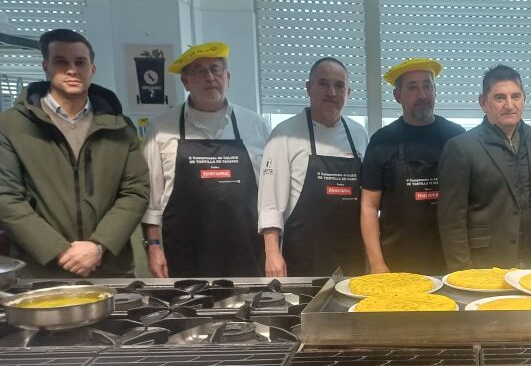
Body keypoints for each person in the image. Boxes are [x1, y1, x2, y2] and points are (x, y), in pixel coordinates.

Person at [0, 29, 149, 278]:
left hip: (110, 267)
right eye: (61, 61)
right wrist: (58, 250)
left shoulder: (120, 125)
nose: (72, 70)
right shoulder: (12, 125)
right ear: (46, 66)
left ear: (92, 68)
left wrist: (98, 245)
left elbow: (135, 191)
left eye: (80, 62)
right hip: (42, 271)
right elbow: (6, 198)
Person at [141, 42, 270, 278]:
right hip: (185, 250)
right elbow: (152, 199)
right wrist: (153, 247)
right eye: (199, 71)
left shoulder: (255, 125)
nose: (210, 77)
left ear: (227, 77)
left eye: (216, 69)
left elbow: (270, 196)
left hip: (247, 249)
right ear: (185, 81)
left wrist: (273, 250)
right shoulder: (161, 128)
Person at [258, 57, 369, 277]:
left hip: (351, 255)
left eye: (339, 86)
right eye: (323, 84)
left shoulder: (358, 134)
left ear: (349, 92)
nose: (332, 92)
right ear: (309, 88)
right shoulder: (284, 134)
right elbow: (270, 204)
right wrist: (272, 253)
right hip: (304, 256)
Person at [437, 65, 531, 271]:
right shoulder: (461, 148)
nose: (509, 105)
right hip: (485, 265)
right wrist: (464, 273)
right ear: (483, 102)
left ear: (524, 99)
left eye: (516, 96)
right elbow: (451, 223)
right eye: (500, 97)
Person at [360, 59, 465, 275]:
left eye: (427, 86)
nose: (423, 95)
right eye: (413, 87)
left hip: (450, 263)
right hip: (396, 261)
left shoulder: (456, 137)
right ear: (397, 95)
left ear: (435, 91)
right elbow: (369, 207)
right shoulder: (382, 141)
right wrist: (377, 263)